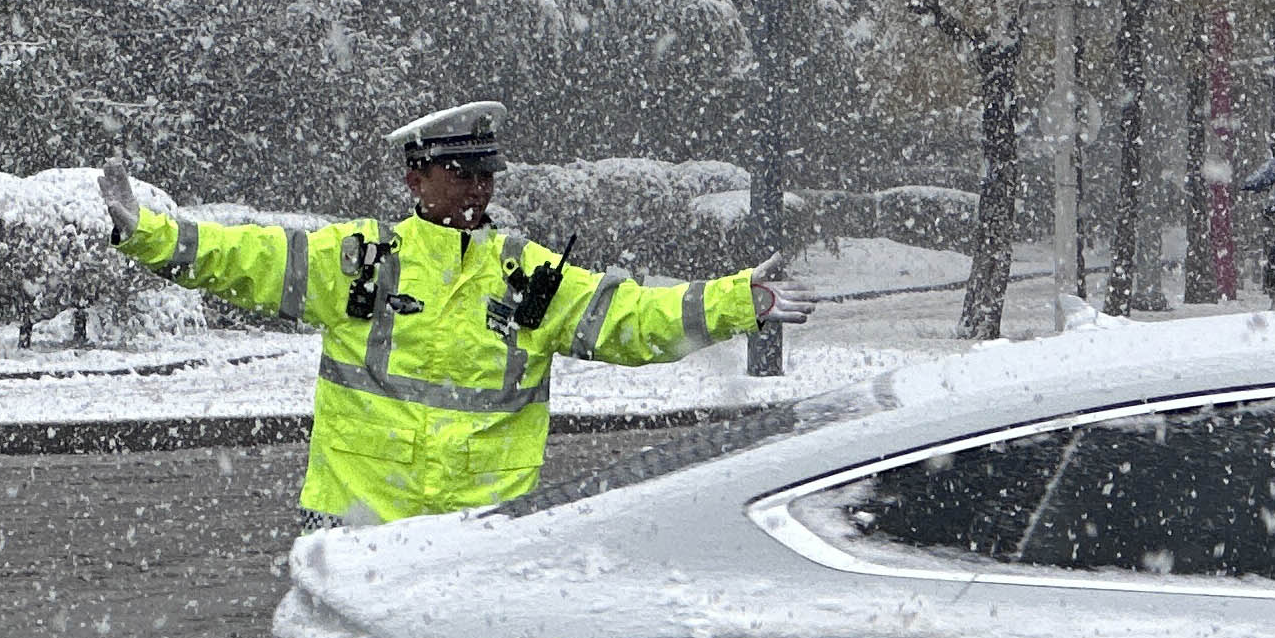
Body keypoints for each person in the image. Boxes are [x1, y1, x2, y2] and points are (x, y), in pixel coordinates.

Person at [95, 102, 814, 524]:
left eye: (486, 174)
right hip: (358, 536)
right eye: (459, 173)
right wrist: (148, 232)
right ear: (416, 176)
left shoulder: (527, 274)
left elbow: (628, 318)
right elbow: (242, 257)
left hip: (483, 535)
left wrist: (735, 302)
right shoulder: (360, 260)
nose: (476, 187)